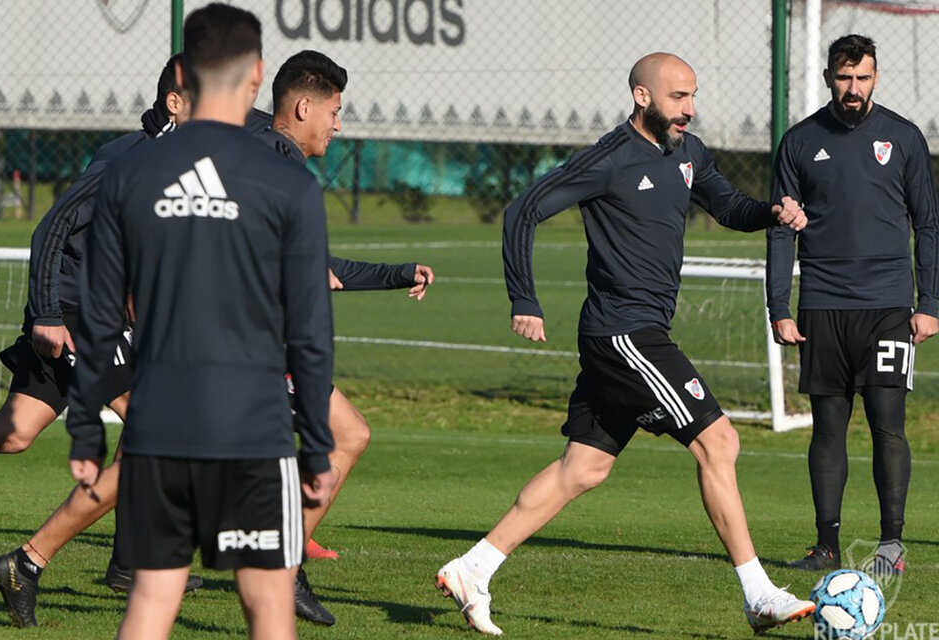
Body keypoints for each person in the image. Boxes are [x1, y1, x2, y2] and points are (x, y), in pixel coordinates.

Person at [435, 52, 815, 636]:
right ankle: (757, 593)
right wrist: (525, 299)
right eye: (678, 97)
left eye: (693, 96)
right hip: (623, 334)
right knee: (719, 441)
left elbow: (728, 205)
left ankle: (473, 567)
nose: (689, 108)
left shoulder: (689, 153)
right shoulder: (609, 158)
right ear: (643, 97)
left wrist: (770, 212)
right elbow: (523, 211)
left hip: (636, 332)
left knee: (581, 469)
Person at [65, 5, 335, 639]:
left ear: (182, 73)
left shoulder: (129, 171)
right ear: (257, 75)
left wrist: (84, 430)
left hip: (158, 423)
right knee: (268, 603)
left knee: (153, 600)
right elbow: (310, 329)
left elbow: (101, 316)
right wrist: (317, 443)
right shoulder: (285, 180)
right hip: (255, 428)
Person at [0, 54, 204, 629]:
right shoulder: (135, 156)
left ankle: (131, 559)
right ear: (176, 103)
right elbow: (50, 226)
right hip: (75, 316)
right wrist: (47, 313)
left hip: (93, 313)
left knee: (13, 434)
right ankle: (27, 564)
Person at [256, 49, 435, 626]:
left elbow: (314, 263)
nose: (338, 123)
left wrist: (393, 274)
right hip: (245, 344)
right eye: (333, 110)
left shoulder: (270, 159)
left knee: (347, 435)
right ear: (304, 107)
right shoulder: (275, 167)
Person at [767, 34, 938, 576]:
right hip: (821, 306)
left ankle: (891, 545)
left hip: (888, 305)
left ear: (876, 78)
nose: (853, 89)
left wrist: (929, 302)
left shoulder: (904, 139)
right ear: (827, 79)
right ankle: (826, 547)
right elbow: (780, 232)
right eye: (844, 78)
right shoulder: (798, 142)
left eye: (862, 78)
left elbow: (928, 224)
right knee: (827, 428)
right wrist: (780, 305)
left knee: (888, 424)